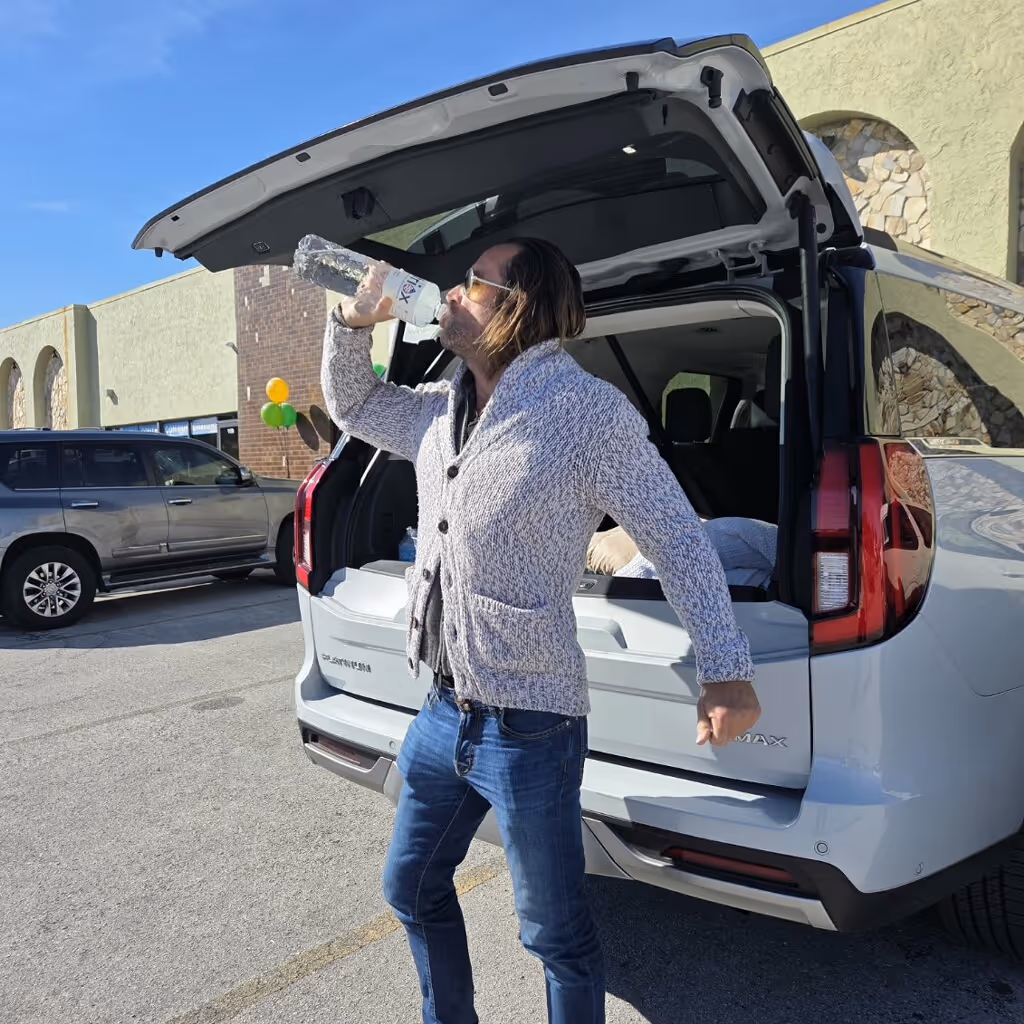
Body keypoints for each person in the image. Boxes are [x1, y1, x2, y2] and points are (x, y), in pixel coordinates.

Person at [321, 238, 761, 1024]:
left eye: (472, 285)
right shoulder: (440, 406)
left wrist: (725, 670)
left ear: (515, 306)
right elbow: (352, 405)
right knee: (411, 887)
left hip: (531, 726)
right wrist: (353, 323)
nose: (450, 295)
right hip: (442, 711)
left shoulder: (586, 411)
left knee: (553, 934)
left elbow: (676, 537)